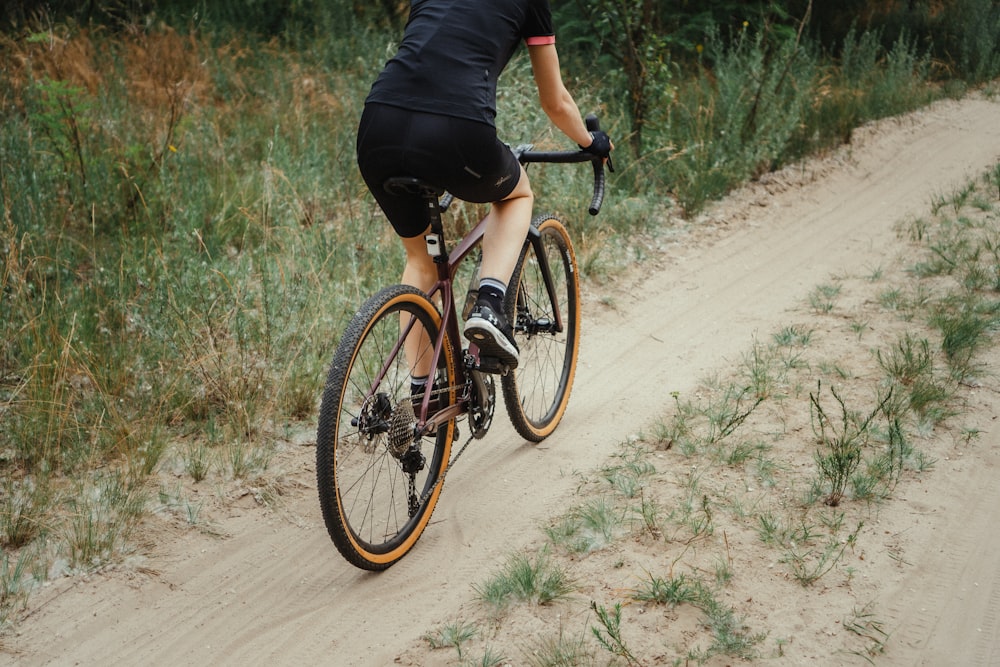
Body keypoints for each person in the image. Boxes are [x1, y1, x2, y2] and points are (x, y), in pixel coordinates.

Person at [356, 0, 613, 390]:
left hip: (379, 125)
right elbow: (554, 101)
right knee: (515, 196)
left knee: (421, 258)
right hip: (457, 129)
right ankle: (490, 305)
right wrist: (591, 141)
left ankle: (422, 391)